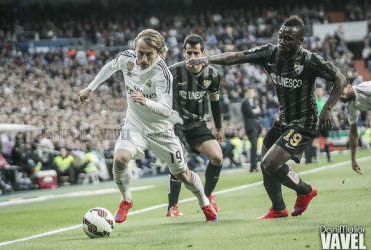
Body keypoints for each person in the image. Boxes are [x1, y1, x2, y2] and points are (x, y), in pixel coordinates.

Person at [188, 15, 347, 219]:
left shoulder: (309, 60)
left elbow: (340, 79)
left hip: (304, 123)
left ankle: (305, 191)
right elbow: (237, 57)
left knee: (271, 163)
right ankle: (278, 208)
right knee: (265, 163)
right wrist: (208, 59)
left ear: (300, 42)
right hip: (283, 120)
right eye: (281, 36)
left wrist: (327, 108)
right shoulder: (270, 53)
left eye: (288, 38)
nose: (282, 41)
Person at [79, 29, 218, 222]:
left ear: (159, 53)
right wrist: (90, 88)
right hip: (135, 125)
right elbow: (110, 67)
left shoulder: (163, 74)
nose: (143, 59)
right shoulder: (127, 59)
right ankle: (126, 199)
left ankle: (204, 202)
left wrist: (146, 101)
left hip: (161, 130)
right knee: (120, 158)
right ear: (134, 49)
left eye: (148, 54)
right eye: (140, 53)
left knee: (183, 174)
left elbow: (165, 108)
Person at [166, 35, 223, 217]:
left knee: (217, 157)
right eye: (188, 53)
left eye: (195, 53)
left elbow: (215, 102)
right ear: (183, 52)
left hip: (198, 124)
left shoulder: (212, 74)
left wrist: (219, 128)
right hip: (176, 124)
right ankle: (172, 207)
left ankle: (207, 196)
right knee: (179, 161)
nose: (191, 57)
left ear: (203, 53)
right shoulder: (172, 72)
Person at [340, 81, 371, 175]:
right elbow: (353, 132)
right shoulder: (350, 105)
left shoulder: (366, 90)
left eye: (341, 92)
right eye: (339, 94)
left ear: (349, 87)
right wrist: (353, 159)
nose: (341, 96)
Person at [241, 87, 262, 172]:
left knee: (255, 146)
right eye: (250, 91)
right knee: (253, 145)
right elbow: (250, 112)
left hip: (255, 126)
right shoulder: (245, 102)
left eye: (252, 91)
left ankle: (254, 166)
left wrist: (255, 111)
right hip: (250, 127)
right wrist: (256, 111)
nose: (251, 93)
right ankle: (253, 166)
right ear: (246, 92)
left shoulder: (253, 102)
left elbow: (257, 112)